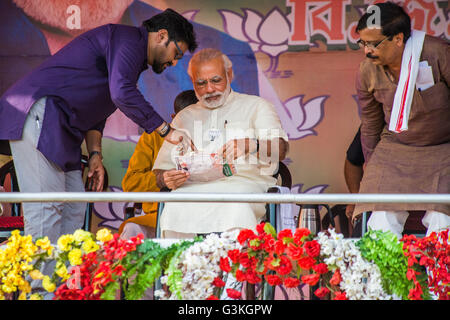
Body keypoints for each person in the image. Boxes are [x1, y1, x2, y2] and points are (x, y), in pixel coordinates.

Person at [0, 9, 198, 245]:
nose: (174, 63)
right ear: (161, 35)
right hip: (41, 113)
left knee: (74, 208)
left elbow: (99, 107)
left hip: (65, 130)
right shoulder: (128, 39)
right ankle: (39, 283)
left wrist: (95, 154)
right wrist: (166, 130)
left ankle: (63, 280)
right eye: (176, 53)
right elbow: (121, 93)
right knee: (46, 209)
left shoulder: (128, 56)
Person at [152, 48, 289, 239]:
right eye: (201, 83)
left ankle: (236, 267)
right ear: (192, 83)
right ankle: (183, 268)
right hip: (192, 190)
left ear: (229, 74)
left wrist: (252, 145)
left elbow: (280, 150)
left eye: (216, 80)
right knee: (174, 204)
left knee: (235, 202)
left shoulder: (257, 106)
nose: (209, 89)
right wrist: (167, 178)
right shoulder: (184, 117)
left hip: (243, 186)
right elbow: (160, 171)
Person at [353, 2, 449, 238]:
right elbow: (371, 125)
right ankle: (382, 276)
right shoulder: (366, 71)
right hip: (395, 149)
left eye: (373, 44)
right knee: (380, 218)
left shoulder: (438, 53)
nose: (367, 51)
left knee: (442, 219)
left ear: (398, 39)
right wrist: (375, 168)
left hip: (444, 149)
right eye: (362, 43)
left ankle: (439, 275)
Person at [119, 90, 198, 239]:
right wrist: (161, 179)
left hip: (202, 218)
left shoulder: (215, 137)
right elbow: (130, 184)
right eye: (186, 120)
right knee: (132, 231)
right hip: (158, 217)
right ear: (174, 118)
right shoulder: (153, 137)